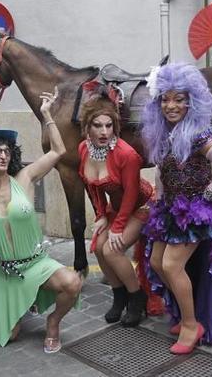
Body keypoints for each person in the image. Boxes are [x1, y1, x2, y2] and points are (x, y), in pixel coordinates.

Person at [141, 61, 212, 354]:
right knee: (155, 262)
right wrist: (159, 196)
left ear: (192, 102)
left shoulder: (199, 134)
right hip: (171, 210)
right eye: (165, 99)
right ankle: (182, 314)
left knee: (171, 265)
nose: (171, 105)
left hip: (196, 212)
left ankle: (191, 325)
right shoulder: (165, 134)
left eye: (179, 99)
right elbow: (161, 170)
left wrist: (209, 196)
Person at [0, 89, 83, 353]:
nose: (3, 156)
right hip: (5, 273)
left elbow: (59, 150)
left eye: (6, 151)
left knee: (73, 283)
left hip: (36, 263)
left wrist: (47, 114)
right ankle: (14, 305)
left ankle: (52, 322)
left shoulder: (25, 178)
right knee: (11, 336)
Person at [77, 91, 154, 327]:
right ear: (87, 128)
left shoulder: (126, 154)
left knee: (112, 249)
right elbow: (91, 186)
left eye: (109, 126)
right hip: (117, 207)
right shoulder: (84, 149)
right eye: (98, 126)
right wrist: (101, 214)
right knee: (99, 248)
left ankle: (137, 297)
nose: (104, 132)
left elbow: (132, 193)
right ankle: (119, 296)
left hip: (142, 205)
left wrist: (117, 227)